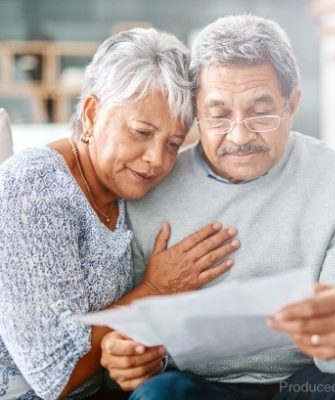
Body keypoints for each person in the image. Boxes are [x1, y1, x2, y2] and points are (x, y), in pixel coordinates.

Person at [101, 15, 335, 400]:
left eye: (261, 112)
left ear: (292, 105)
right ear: (195, 113)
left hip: (314, 381)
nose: (240, 136)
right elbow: (133, 345)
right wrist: (132, 358)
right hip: (200, 388)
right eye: (219, 114)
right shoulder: (150, 188)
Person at [0, 28, 240, 400]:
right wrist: (155, 290)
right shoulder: (32, 189)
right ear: (92, 113)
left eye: (173, 143)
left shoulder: (126, 188)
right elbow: (54, 375)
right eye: (141, 132)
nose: (156, 160)